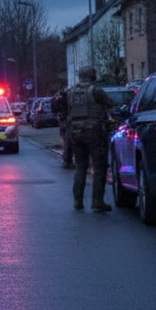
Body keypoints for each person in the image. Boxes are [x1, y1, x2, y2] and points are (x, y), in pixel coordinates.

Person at [64, 67, 116, 212]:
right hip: (94, 131)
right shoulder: (96, 91)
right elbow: (112, 104)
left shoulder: (71, 92)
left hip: (75, 131)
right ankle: (97, 201)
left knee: (81, 166)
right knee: (99, 166)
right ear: (92, 76)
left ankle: (77, 201)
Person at [51, 87, 73, 169]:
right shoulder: (65, 100)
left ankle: (67, 160)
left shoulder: (57, 100)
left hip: (63, 121)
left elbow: (54, 110)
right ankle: (68, 160)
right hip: (67, 121)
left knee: (67, 142)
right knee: (68, 142)